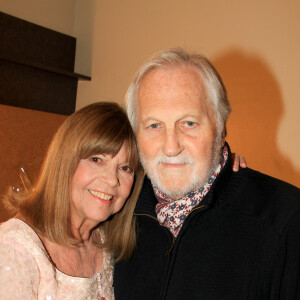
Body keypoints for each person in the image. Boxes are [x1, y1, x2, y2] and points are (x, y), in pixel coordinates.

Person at [114, 48, 300, 299]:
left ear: (220, 127)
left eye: (189, 123)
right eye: (154, 125)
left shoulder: (286, 218)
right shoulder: (116, 212)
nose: (170, 147)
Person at [0, 102, 144, 300]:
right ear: (64, 162)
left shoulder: (107, 244)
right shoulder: (13, 249)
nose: (112, 180)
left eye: (125, 168)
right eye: (97, 160)